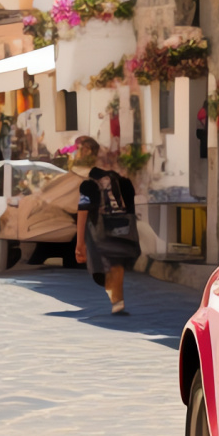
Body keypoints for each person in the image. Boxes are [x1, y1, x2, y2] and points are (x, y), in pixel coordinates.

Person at [72, 135, 140, 316]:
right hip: (123, 226)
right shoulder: (121, 180)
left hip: (102, 229)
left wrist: (80, 243)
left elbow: (83, 210)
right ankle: (117, 301)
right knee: (115, 264)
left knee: (101, 270)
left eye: (81, 150)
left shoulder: (89, 182)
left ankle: (116, 299)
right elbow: (131, 206)